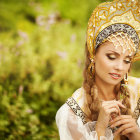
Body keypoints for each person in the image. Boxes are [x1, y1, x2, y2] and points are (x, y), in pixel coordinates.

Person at [55, 0, 140, 140]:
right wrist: (100, 129)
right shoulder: (71, 113)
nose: (120, 67)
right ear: (93, 54)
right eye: (111, 57)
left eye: (127, 60)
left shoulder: (138, 91)